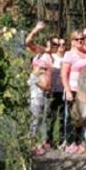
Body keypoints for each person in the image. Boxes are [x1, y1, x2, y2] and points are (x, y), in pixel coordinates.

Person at [60, 28, 86, 154]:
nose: (81, 41)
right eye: (77, 39)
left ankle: (81, 141)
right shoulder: (69, 55)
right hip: (73, 88)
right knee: (71, 117)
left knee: (83, 116)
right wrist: (68, 91)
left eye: (82, 39)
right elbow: (64, 74)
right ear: (72, 41)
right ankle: (70, 142)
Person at [25, 21, 59, 155]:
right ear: (48, 43)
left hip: (46, 91)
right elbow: (28, 42)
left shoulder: (52, 58)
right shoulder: (41, 51)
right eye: (53, 43)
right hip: (37, 88)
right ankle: (31, 144)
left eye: (57, 44)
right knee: (35, 117)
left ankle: (39, 143)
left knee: (43, 118)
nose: (55, 46)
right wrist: (36, 29)